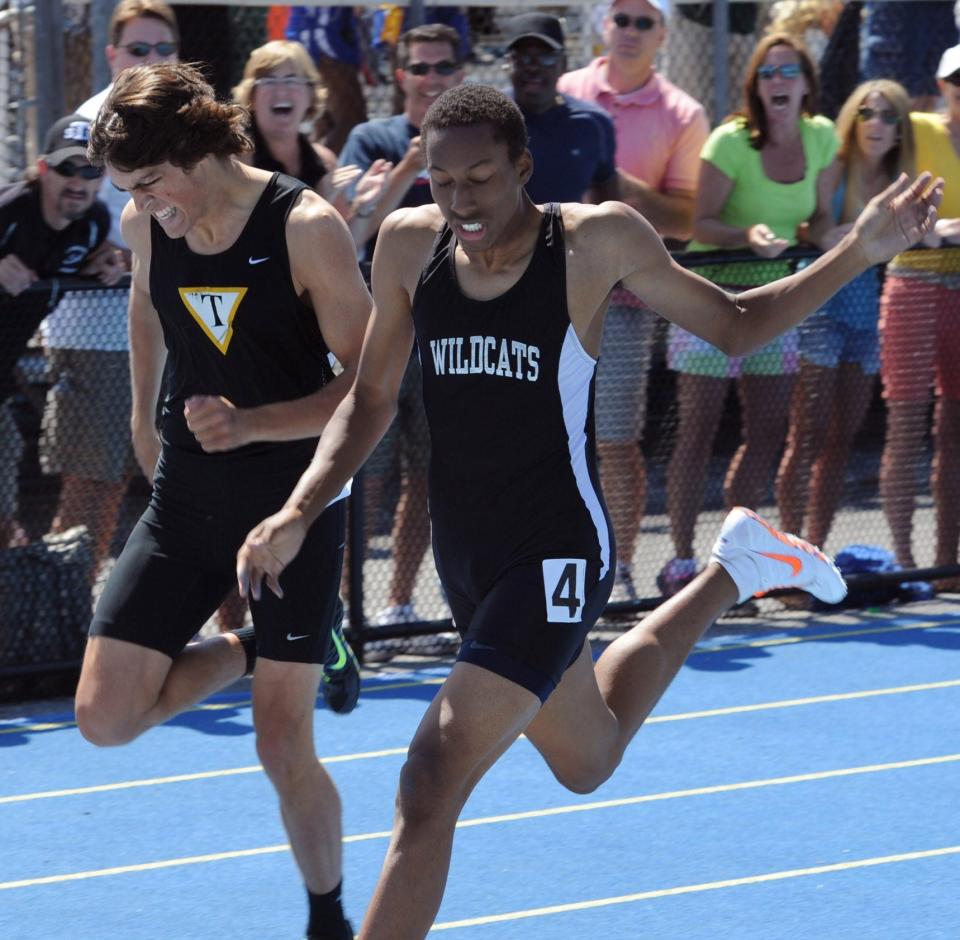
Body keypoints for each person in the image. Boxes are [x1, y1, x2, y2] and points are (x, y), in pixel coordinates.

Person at [237, 83, 938, 938]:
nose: (460, 202)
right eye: (441, 181)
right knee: (588, 757)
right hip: (471, 557)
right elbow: (368, 400)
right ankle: (736, 569)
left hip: (557, 549)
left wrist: (859, 250)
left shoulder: (594, 241)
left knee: (429, 780)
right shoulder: (405, 245)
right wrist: (302, 508)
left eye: (482, 180)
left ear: (525, 168)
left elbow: (738, 326)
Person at [77, 63, 371, 940]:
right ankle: (269, 646)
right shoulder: (146, 219)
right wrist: (142, 416)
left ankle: (328, 916)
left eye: (148, 181)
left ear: (192, 149)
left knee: (281, 743)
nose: (141, 204)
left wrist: (253, 423)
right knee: (104, 718)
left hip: (294, 505)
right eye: (128, 189)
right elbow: (144, 311)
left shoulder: (306, 228)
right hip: (188, 496)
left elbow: (371, 390)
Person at [660, 33, 838, 596]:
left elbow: (817, 223)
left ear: (807, 83)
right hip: (711, 299)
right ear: (755, 86)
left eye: (788, 72)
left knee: (765, 431)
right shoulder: (729, 141)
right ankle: (683, 561)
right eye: (768, 73)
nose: (778, 81)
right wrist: (747, 236)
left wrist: (851, 239)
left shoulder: (823, 137)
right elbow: (701, 225)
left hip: (778, 299)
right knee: (698, 430)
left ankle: (738, 561)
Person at [558, 0, 709, 601]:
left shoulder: (684, 112)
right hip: (549, 301)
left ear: (663, 34)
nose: (630, 31)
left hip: (624, 307)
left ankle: (615, 574)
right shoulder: (565, 90)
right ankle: (554, 565)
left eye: (645, 22)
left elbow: (686, 221)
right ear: (604, 25)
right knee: (547, 439)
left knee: (616, 442)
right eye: (621, 18)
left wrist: (611, 182)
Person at [39, 0, 178, 576]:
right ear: (113, 54)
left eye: (164, 49)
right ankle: (62, 630)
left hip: (168, 334)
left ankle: (230, 640)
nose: (152, 60)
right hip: (95, 339)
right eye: (139, 50)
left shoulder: (183, 120)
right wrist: (115, 249)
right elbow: (65, 216)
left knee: (169, 488)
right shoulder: (90, 122)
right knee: (91, 490)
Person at [338, 23, 464, 636]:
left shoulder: (474, 144)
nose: (432, 79)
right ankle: (338, 606)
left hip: (450, 338)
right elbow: (355, 232)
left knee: (429, 476)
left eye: (443, 68)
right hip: (382, 335)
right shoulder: (372, 139)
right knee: (363, 471)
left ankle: (399, 603)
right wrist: (412, 163)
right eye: (421, 68)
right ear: (401, 75)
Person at [777, 80, 915, 549]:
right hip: (819, 306)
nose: (877, 125)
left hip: (864, 314)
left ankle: (813, 551)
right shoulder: (833, 169)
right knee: (807, 435)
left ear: (900, 132)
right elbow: (807, 224)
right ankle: (786, 556)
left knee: (841, 440)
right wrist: (831, 235)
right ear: (852, 120)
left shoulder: (901, 180)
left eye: (889, 117)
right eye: (867, 114)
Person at [0, 114, 122, 549]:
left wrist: (108, 263)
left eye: (91, 170)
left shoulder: (91, 225)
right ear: (44, 169)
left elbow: (98, 255)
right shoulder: (11, 209)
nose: (79, 181)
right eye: (68, 168)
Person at [878, 44, 960, 590]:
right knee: (905, 431)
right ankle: (908, 567)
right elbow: (891, 205)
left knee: (953, 432)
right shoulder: (917, 129)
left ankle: (946, 565)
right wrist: (940, 231)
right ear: (941, 84)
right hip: (911, 283)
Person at [232, 38, 391, 245]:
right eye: (269, 81)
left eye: (291, 80)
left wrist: (363, 206)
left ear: (310, 94)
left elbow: (343, 245)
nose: (281, 91)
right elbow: (248, 243)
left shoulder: (324, 161)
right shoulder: (236, 159)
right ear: (251, 95)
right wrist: (315, 198)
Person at [504, 13, 621, 204]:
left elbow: (609, 205)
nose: (533, 67)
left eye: (546, 58)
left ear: (564, 64)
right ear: (508, 64)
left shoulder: (593, 124)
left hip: (565, 233)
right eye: (523, 58)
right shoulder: (485, 120)